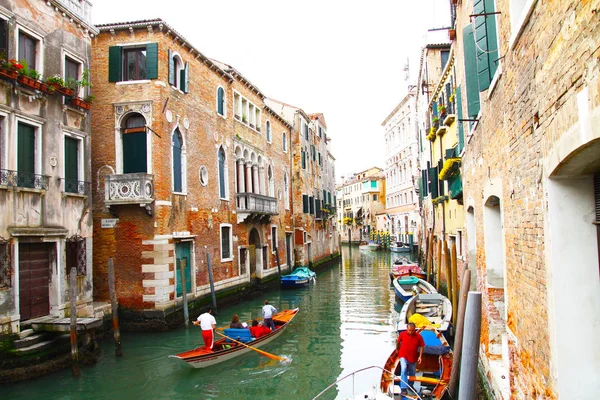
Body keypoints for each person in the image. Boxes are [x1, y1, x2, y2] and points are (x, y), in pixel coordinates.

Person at [396, 322, 425, 395]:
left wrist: (420, 356)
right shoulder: (402, 334)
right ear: (407, 329)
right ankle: (403, 388)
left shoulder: (418, 336)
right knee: (404, 369)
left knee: (412, 373)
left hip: (413, 357)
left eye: (412, 330)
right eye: (409, 330)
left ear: (414, 330)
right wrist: (397, 349)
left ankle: (410, 386)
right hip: (403, 355)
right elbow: (398, 342)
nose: (411, 332)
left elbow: (422, 346)